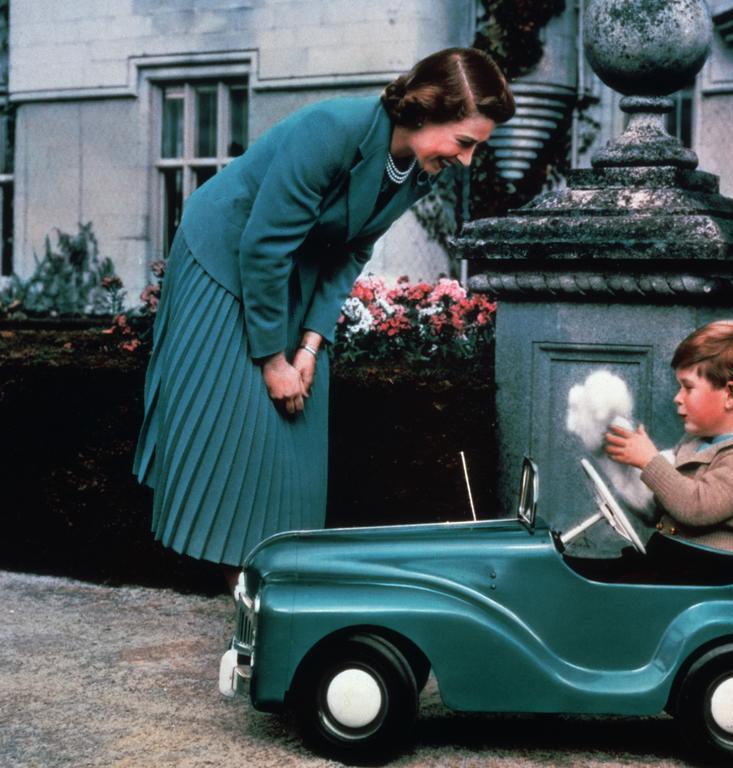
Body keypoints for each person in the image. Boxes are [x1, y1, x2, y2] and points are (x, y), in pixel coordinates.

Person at [132, 48, 515, 583]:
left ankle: (277, 577)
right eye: (465, 143)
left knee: (297, 424)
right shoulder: (329, 130)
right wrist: (271, 360)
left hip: (294, 267)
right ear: (426, 112)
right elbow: (263, 247)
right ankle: (230, 581)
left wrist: (310, 344)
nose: (467, 160)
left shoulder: (418, 169)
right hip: (223, 256)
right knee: (241, 417)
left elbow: (352, 252)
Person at [604, 320, 733, 578]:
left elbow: (697, 508)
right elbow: (660, 508)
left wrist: (649, 461)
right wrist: (623, 471)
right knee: (586, 570)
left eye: (688, 387)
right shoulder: (693, 443)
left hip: (712, 570)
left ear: (731, 394)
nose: (677, 397)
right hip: (674, 559)